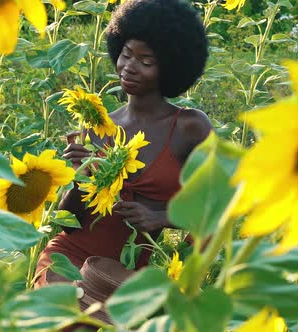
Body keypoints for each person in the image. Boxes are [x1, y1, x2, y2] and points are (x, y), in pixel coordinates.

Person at [34, 0, 212, 287]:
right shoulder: (97, 128)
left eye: (146, 62)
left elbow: (218, 204)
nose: (129, 67)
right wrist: (81, 176)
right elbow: (69, 219)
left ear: (171, 67)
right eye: (127, 55)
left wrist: (160, 217)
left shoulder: (189, 127)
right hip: (67, 259)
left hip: (124, 278)